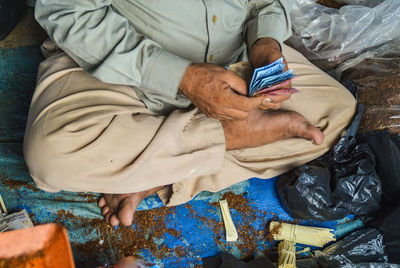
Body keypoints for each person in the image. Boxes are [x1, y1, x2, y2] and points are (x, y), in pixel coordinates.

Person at [24, 0, 356, 227]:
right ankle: (234, 136)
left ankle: (150, 174)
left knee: (337, 115)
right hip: (117, 68)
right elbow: (68, 12)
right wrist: (182, 77)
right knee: (50, 155)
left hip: (235, 63)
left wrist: (265, 44)